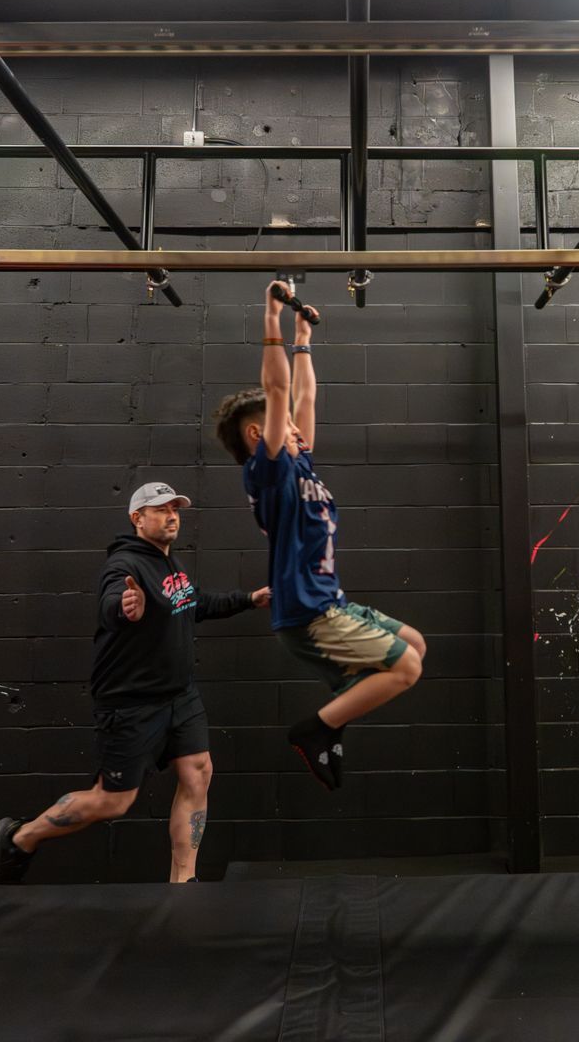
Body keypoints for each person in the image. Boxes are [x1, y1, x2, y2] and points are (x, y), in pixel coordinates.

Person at [0, 482, 268, 884]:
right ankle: (19, 838)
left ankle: (183, 883)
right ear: (137, 518)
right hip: (131, 702)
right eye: (160, 509)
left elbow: (195, 603)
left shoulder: (170, 565)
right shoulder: (124, 566)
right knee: (113, 801)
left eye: (175, 509)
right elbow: (111, 603)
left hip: (179, 695)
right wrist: (124, 607)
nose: (172, 516)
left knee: (198, 771)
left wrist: (247, 599)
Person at [211, 280, 425, 790]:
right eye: (281, 424)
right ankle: (316, 729)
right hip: (309, 611)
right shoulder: (268, 473)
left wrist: (303, 337)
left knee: (414, 642)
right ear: (256, 435)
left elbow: (302, 395)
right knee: (407, 668)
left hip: (330, 601)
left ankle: (339, 708)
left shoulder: (299, 459)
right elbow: (281, 392)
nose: (297, 427)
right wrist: (270, 318)